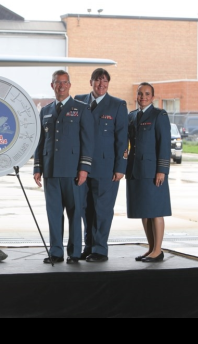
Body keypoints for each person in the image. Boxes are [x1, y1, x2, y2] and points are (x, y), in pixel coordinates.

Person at [34, 70, 93, 264]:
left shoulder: (81, 108)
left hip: (73, 171)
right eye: (58, 82)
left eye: (65, 82)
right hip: (51, 171)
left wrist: (84, 168)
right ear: (52, 85)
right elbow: (41, 141)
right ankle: (56, 252)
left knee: (75, 213)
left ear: (70, 85)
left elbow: (87, 141)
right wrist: (37, 168)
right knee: (53, 214)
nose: (61, 85)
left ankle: (75, 253)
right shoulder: (46, 110)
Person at [75, 68, 128, 262]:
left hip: (106, 168)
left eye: (105, 81)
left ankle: (100, 250)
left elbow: (123, 139)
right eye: (98, 81)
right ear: (91, 82)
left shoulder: (117, 105)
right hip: (81, 168)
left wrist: (120, 167)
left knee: (102, 210)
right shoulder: (79, 101)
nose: (101, 84)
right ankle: (88, 246)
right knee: (84, 208)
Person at [126, 82, 171, 263]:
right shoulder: (132, 116)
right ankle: (151, 248)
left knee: (155, 211)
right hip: (136, 170)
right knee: (144, 212)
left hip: (153, 171)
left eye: (146, 94)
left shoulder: (159, 115)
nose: (143, 97)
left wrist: (162, 170)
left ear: (152, 97)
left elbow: (164, 144)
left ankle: (158, 250)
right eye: (140, 93)